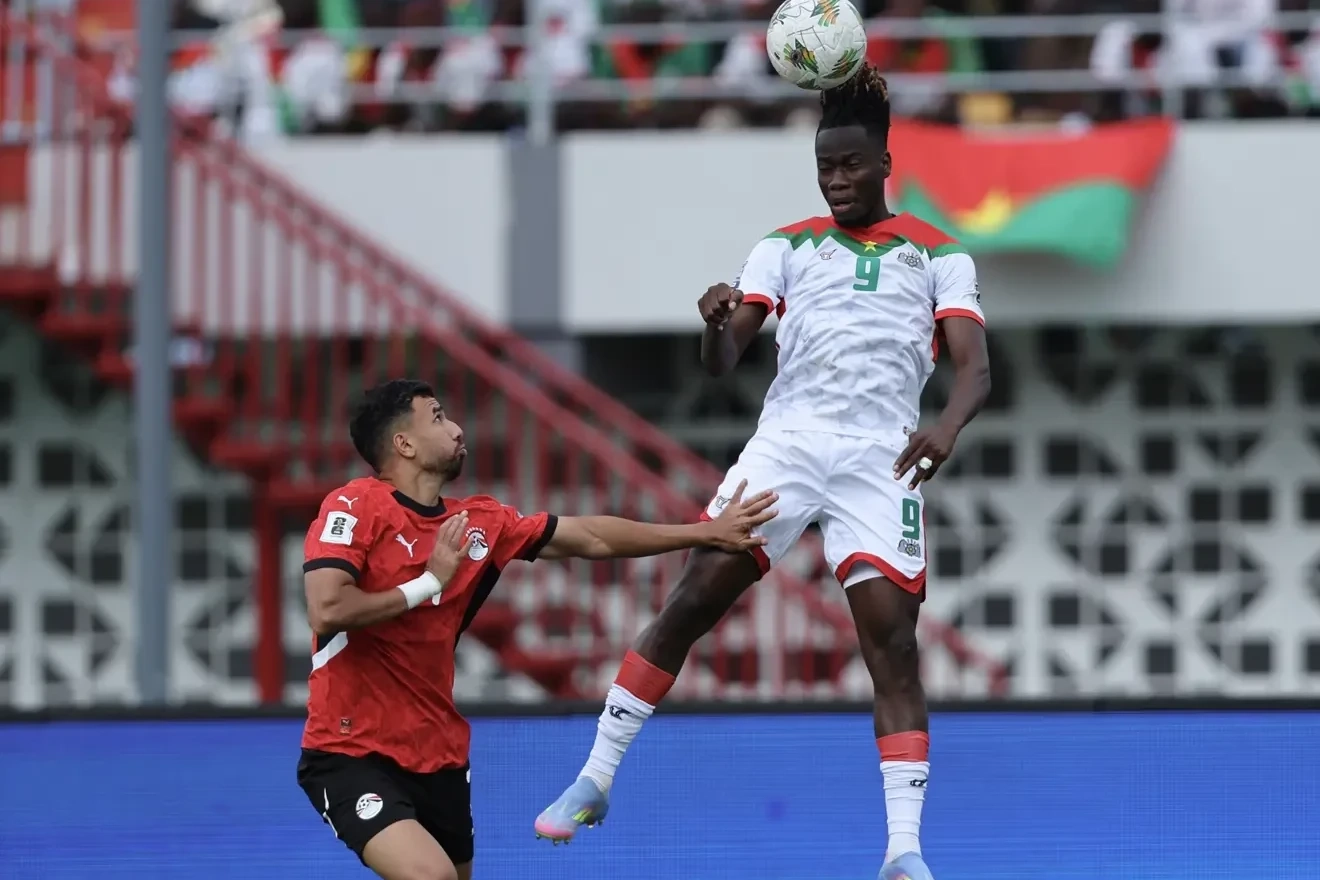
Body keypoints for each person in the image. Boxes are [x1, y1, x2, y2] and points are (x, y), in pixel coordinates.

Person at [535, 66, 991, 880]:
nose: (836, 180)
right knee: (691, 601)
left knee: (893, 647)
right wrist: (714, 323)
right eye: (825, 168)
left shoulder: (939, 253)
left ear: (885, 164)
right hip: (786, 447)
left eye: (850, 165)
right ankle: (595, 778)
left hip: (881, 458)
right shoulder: (783, 246)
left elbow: (975, 370)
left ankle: (903, 850)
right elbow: (723, 360)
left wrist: (946, 427)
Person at [295, 378, 778, 880]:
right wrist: (430, 583)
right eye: (437, 417)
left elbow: (589, 537)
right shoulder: (355, 506)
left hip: (438, 753)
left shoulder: (479, 522)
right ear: (404, 444)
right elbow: (327, 609)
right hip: (349, 751)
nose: (457, 429)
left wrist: (704, 531)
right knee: (430, 876)